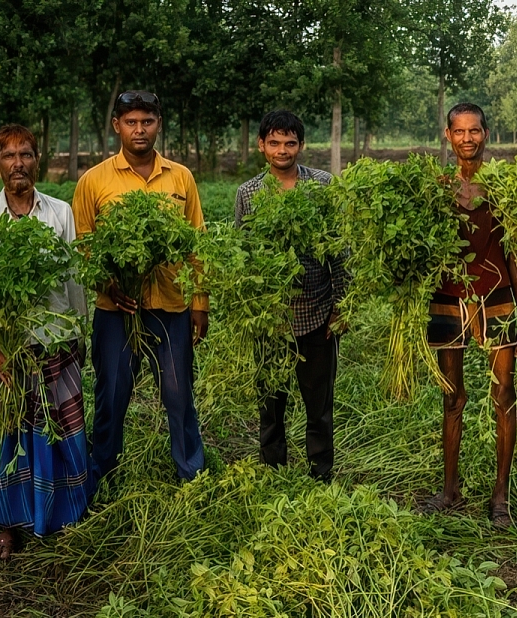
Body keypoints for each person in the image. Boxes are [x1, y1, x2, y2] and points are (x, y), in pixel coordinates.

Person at [0, 125, 91, 559]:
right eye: (9, 155)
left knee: (62, 429)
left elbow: (74, 282)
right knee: (8, 435)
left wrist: (79, 334)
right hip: (6, 350)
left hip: (55, 341)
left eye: (26, 154)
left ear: (38, 160)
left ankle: (66, 515)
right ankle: (8, 524)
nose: (18, 163)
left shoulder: (60, 213)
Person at [72, 91, 209, 485]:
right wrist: (109, 285)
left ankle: (191, 474)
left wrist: (200, 302)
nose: (139, 129)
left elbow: (196, 244)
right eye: (131, 122)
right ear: (116, 125)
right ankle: (101, 475)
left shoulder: (180, 177)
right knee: (111, 396)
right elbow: (84, 247)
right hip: (116, 310)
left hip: (171, 307)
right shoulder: (93, 180)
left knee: (179, 395)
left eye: (147, 121)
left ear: (158, 124)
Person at [416, 103, 517, 529]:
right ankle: (450, 490)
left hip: (497, 297)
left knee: (504, 395)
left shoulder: (502, 187)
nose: (468, 138)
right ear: (448, 136)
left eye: (475, 131)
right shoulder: (437, 188)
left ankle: (500, 496)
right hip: (448, 298)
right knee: (452, 397)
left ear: (486, 134)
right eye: (460, 131)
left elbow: (514, 252)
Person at [233, 110, 349, 481]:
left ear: (301, 145)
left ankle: (321, 475)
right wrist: (249, 307)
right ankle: (273, 472)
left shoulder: (322, 185)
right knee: (270, 405)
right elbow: (242, 254)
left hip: (317, 313)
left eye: (290, 143)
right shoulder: (248, 193)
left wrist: (341, 307)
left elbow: (340, 250)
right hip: (270, 319)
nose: (282, 150)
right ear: (261, 146)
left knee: (319, 405)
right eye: (274, 143)